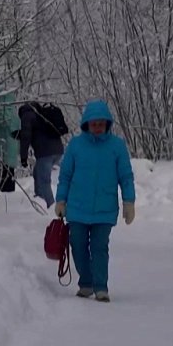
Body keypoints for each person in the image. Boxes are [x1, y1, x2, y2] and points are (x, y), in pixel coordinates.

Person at [53, 99, 135, 302]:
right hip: (77, 209)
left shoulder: (117, 146)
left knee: (99, 248)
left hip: (104, 210)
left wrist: (129, 202)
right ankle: (86, 283)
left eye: (101, 123)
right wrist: (61, 200)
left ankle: (100, 287)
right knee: (78, 246)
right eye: (94, 123)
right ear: (87, 124)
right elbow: (65, 176)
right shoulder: (75, 146)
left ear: (107, 123)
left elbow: (126, 176)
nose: (97, 127)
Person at [18, 101, 68, 207]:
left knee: (44, 181)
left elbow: (26, 136)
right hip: (58, 150)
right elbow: (37, 132)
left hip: (45, 153)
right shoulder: (41, 113)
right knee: (37, 173)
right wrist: (19, 134)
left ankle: (50, 206)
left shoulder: (26, 115)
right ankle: (40, 198)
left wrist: (23, 157)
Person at [0, 92, 20, 193]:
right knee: (6, 182)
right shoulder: (15, 117)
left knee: (4, 182)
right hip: (7, 155)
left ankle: (7, 205)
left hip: (3, 155)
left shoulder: (4, 116)